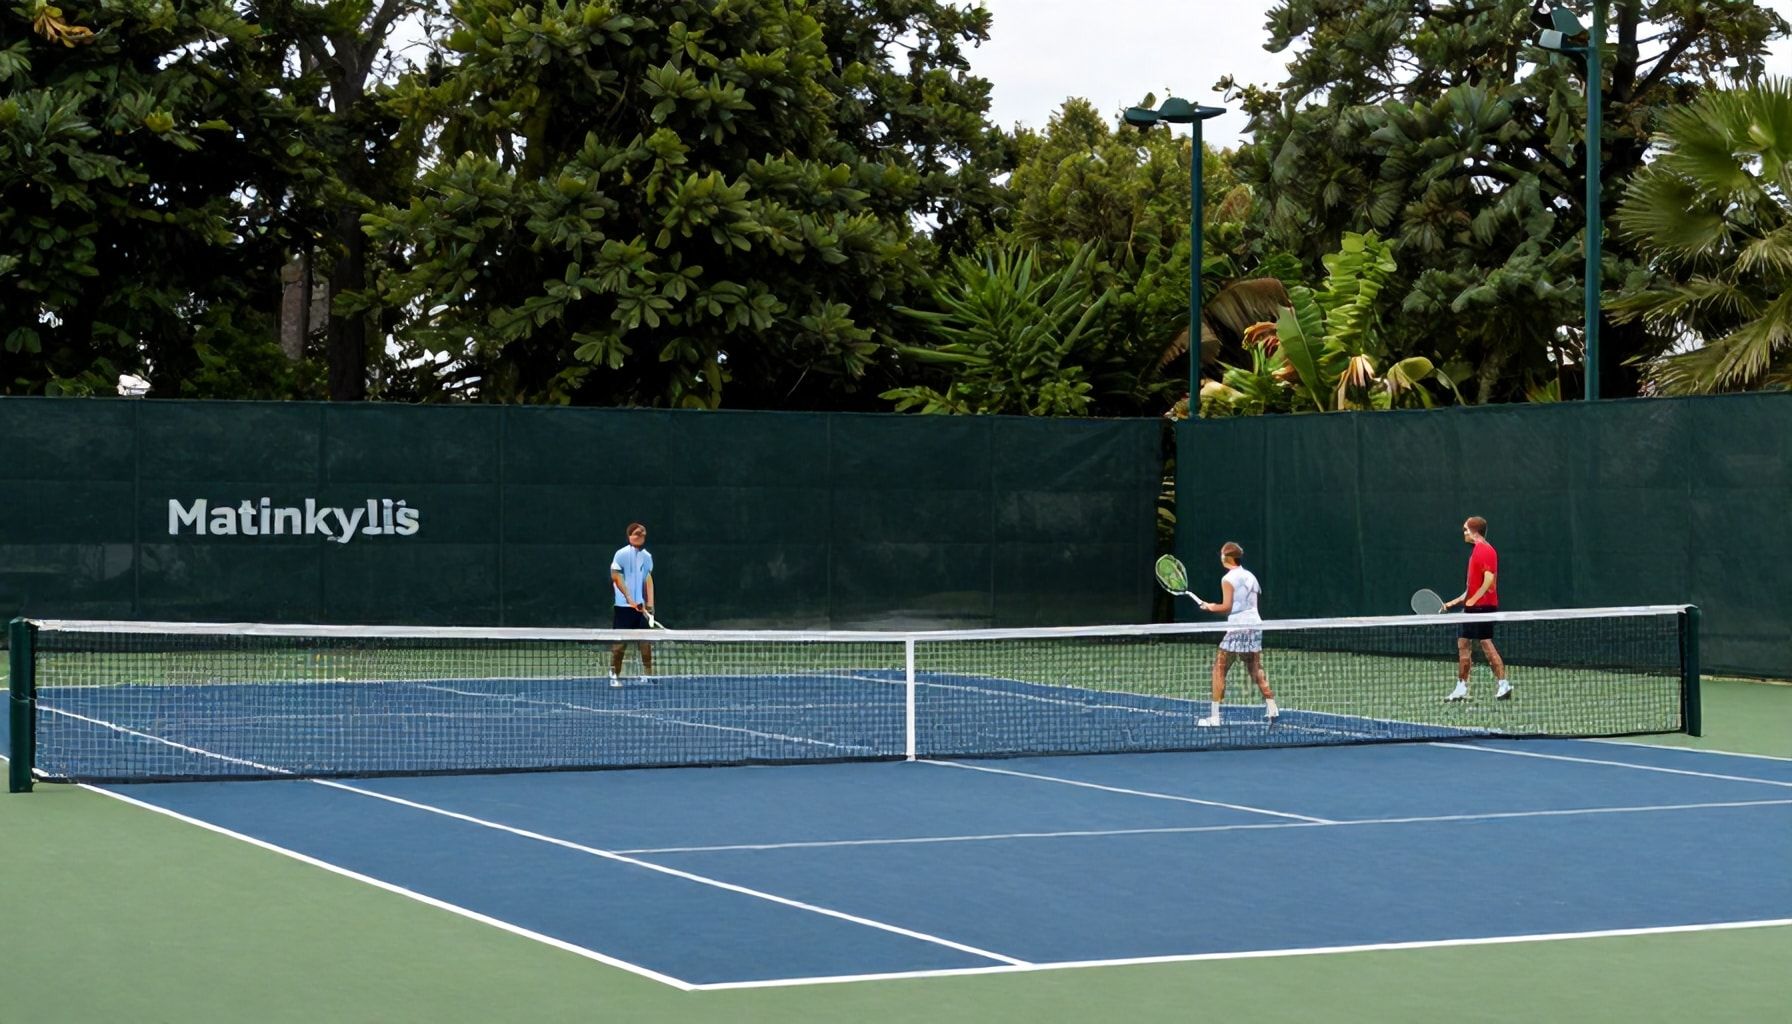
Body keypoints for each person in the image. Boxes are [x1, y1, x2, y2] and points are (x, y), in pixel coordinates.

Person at [1194, 542, 1278, 727]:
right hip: (1255, 625)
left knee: (1219, 668)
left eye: (1222, 555)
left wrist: (1209, 606)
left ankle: (1214, 718)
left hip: (1239, 627)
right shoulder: (1251, 576)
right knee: (1254, 667)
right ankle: (1272, 707)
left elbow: (1227, 607)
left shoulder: (1228, 579)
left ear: (1227, 557)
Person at [1443, 515, 1511, 701]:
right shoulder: (1476, 552)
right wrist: (1453, 603)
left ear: (1474, 531)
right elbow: (1471, 588)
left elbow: (1489, 581)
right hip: (1473, 607)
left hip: (1483, 608)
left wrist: (1474, 600)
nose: (1463, 533)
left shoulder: (1485, 550)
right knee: (1463, 644)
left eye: (1465, 529)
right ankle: (1461, 687)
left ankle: (1503, 684)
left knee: (1485, 644)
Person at [609, 521, 655, 688]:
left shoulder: (647, 557)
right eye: (636, 533)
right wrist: (629, 598)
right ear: (629, 536)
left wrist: (650, 603)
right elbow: (616, 577)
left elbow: (648, 579)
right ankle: (614, 674)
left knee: (646, 645)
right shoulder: (620, 554)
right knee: (619, 645)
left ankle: (647, 675)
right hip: (623, 609)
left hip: (641, 609)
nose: (640, 536)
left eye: (642, 534)